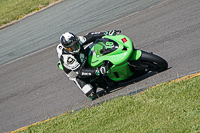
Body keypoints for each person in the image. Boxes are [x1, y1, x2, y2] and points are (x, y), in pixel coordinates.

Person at [56, 30, 118, 99]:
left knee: (98, 43)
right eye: (72, 47)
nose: (75, 47)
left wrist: (106, 33)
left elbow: (90, 36)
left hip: (83, 57)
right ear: (66, 48)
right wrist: (97, 71)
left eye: (76, 44)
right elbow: (80, 72)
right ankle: (97, 82)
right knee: (91, 94)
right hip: (77, 74)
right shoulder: (67, 58)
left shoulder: (78, 40)